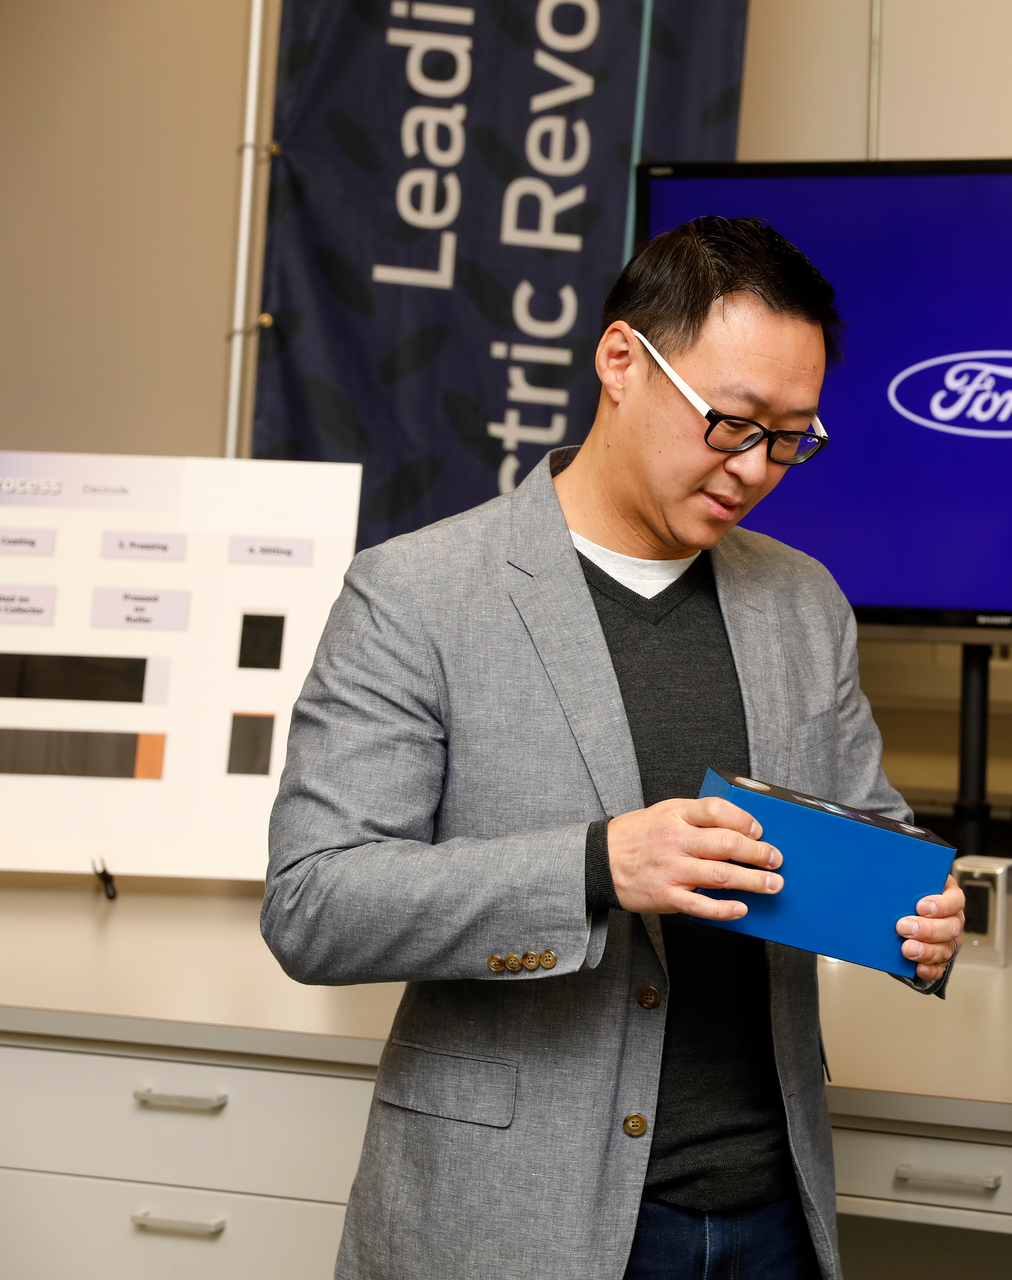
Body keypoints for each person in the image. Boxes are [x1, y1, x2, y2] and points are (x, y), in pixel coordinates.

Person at [263, 216, 965, 1280]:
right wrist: (596, 865)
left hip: (773, 1210)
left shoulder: (801, 600)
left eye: (790, 438)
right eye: (731, 423)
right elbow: (315, 905)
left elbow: (868, 830)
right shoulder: (416, 594)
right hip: (515, 1217)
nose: (756, 468)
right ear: (622, 361)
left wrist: (917, 912)